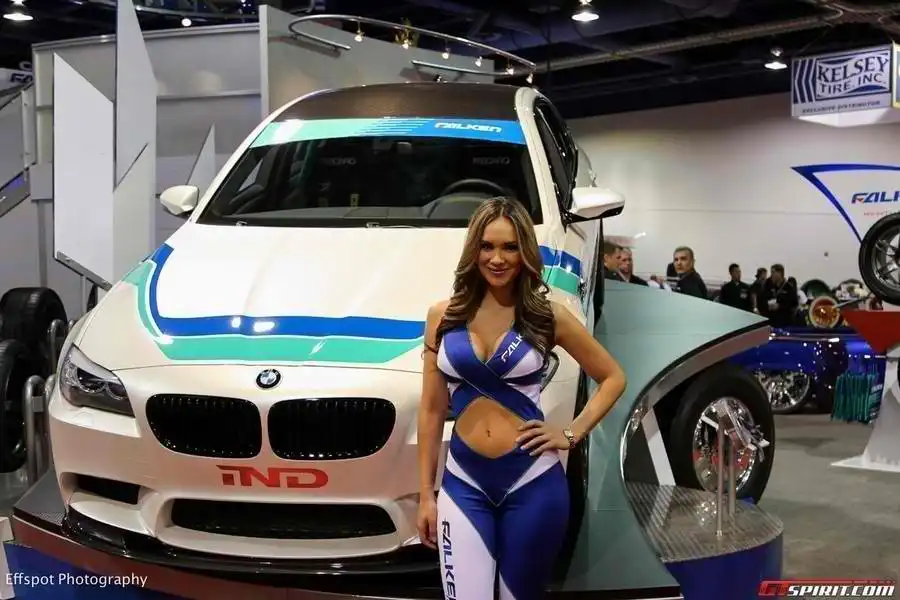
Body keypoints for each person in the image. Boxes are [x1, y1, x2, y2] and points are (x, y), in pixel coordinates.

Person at [416, 198, 627, 600]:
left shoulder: (548, 316)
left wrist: (570, 433)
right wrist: (426, 494)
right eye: (487, 246)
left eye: (510, 247)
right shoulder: (442, 316)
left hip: (534, 483)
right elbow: (431, 409)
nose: (497, 258)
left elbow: (613, 377)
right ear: (473, 249)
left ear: (525, 252)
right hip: (464, 483)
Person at [761, 263, 798, 328]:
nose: (771, 275)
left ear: (780, 273)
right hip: (769, 321)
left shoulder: (789, 288)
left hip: (784, 322)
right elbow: (762, 299)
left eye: (773, 272)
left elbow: (794, 305)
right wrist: (766, 305)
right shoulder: (767, 285)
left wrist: (780, 306)